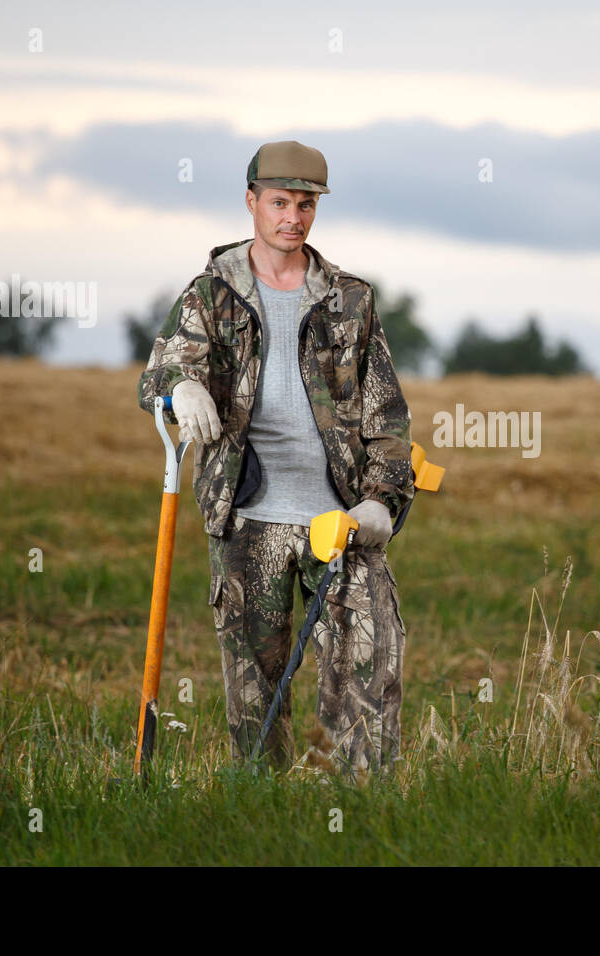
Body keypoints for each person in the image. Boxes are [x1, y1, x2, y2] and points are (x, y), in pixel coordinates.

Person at [137, 140, 414, 778]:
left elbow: (387, 417)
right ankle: (262, 820)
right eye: (281, 202)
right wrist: (183, 387)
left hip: (339, 524)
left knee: (366, 677)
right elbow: (161, 371)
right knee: (256, 704)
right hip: (247, 520)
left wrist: (381, 501)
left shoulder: (350, 299)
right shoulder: (211, 292)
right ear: (252, 202)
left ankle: (360, 818)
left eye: (306, 204)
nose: (294, 216)